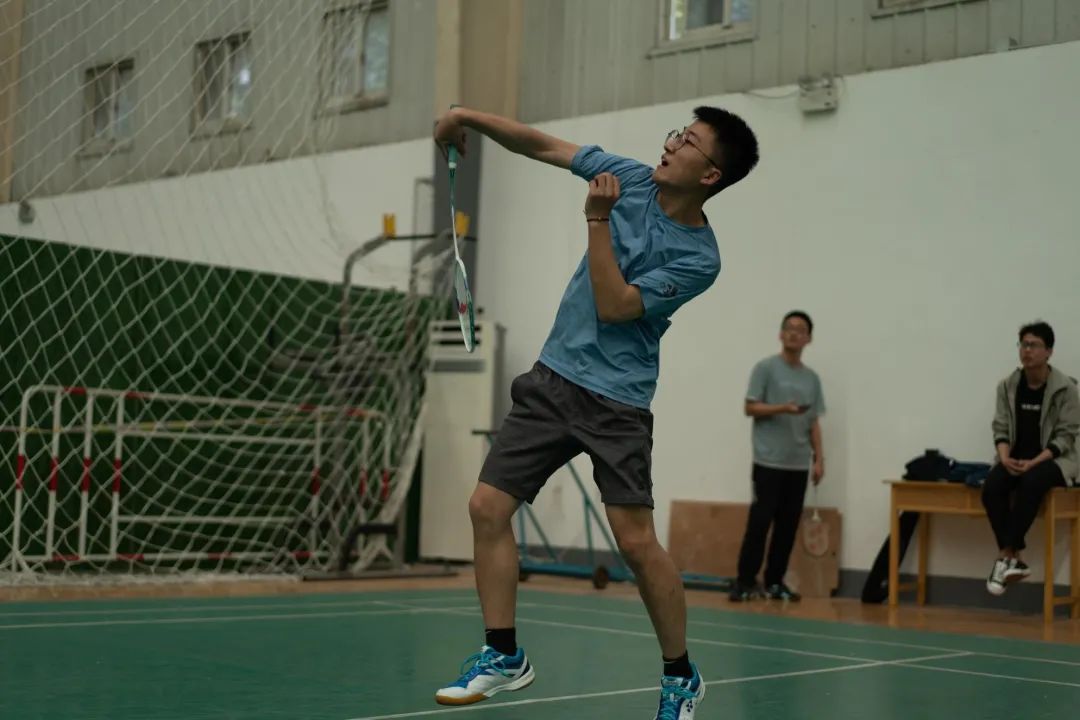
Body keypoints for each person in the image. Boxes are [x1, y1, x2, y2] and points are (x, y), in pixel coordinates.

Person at [430, 105, 759, 718]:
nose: (670, 144)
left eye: (687, 142)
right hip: (553, 380)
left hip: (617, 403)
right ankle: (503, 655)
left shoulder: (699, 258)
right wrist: (462, 115)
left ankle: (680, 675)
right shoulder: (630, 176)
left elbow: (615, 305)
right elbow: (540, 145)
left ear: (710, 174)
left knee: (635, 543)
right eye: (676, 133)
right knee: (486, 507)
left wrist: (597, 219)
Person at [730, 311, 825, 603]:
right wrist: (782, 408)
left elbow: (814, 421)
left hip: (797, 463)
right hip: (768, 462)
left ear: (808, 338)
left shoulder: (812, 379)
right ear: (781, 334)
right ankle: (745, 582)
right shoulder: (766, 369)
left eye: (800, 329)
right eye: (789, 328)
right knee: (760, 523)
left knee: (787, 527)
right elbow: (750, 407)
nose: (794, 333)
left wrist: (819, 459)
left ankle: (774, 582)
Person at [983, 321, 1079, 596]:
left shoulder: (1066, 389)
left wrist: (1034, 462)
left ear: (1048, 351)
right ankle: (1013, 558)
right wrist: (1004, 458)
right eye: (1023, 344)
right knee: (991, 487)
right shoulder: (1008, 386)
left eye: (1034, 345)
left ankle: (1006, 555)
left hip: (1054, 461)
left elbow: (1066, 436)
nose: (1027, 351)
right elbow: (1001, 427)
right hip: (1015, 458)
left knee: (1031, 482)